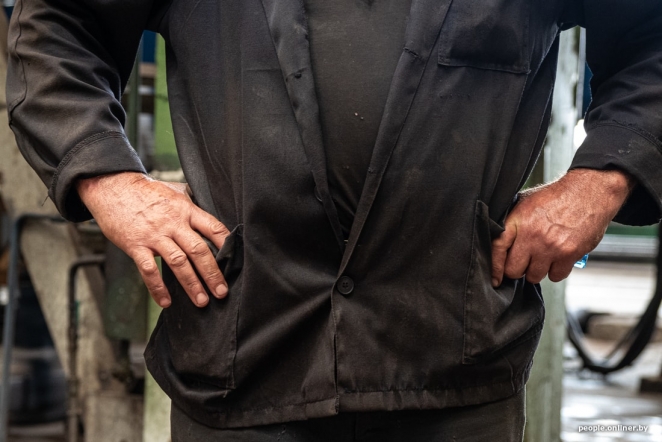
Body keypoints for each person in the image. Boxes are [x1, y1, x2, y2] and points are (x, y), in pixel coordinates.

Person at [6, 0, 662, 440]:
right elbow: (58, 26)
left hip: (454, 364)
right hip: (247, 349)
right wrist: (108, 179)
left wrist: (599, 181)